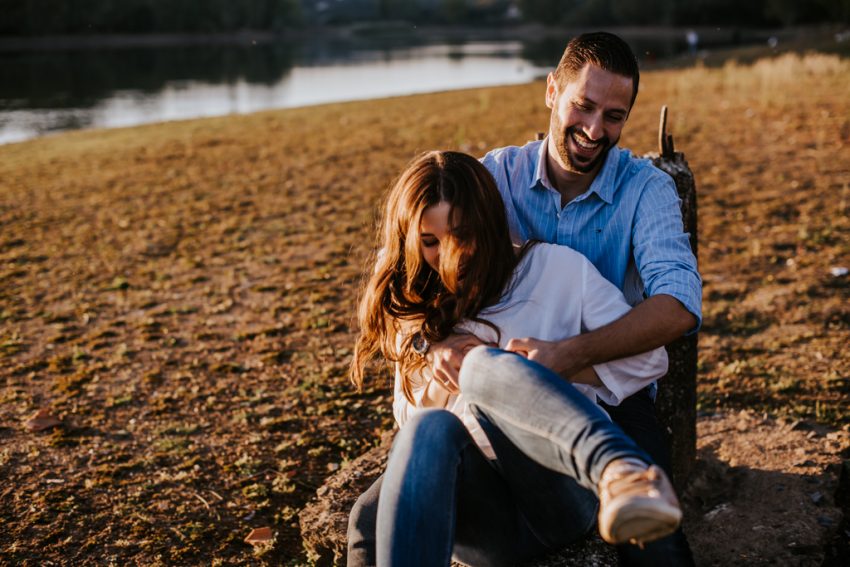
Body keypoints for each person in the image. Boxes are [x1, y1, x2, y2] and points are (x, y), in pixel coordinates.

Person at [350, 31, 701, 566]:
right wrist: (434, 336)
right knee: (373, 509)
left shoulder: (643, 189)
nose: (593, 128)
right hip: (492, 410)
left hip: (606, 390)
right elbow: (400, 263)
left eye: (613, 115)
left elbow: (677, 305)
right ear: (551, 91)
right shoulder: (494, 177)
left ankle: (618, 473)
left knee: (652, 540)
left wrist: (570, 355)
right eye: (583, 106)